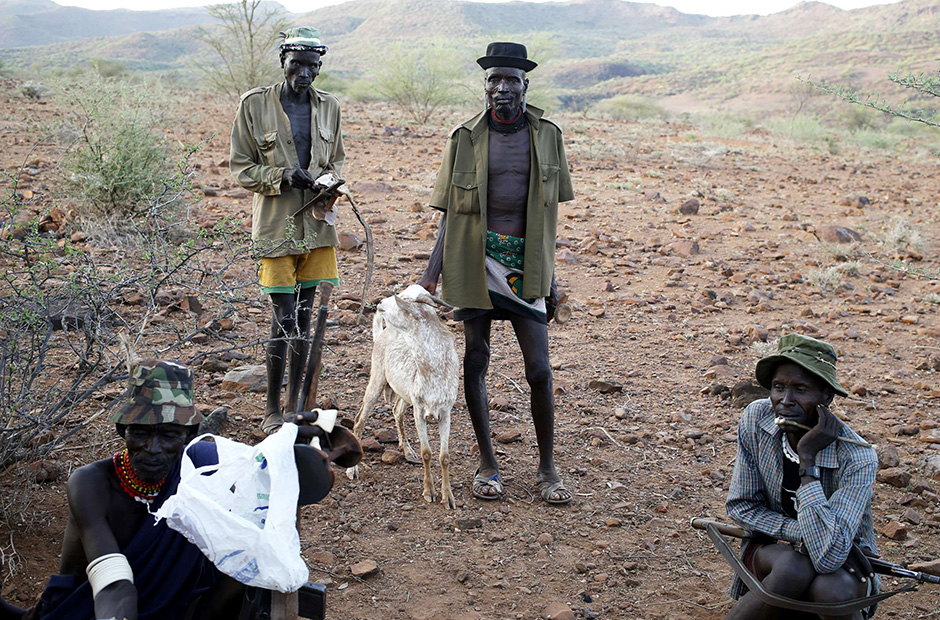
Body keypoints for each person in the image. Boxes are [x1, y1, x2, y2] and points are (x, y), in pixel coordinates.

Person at [0, 359, 353, 620]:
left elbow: (272, 490)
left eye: (168, 435)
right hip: (90, 609)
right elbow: (114, 584)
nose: (153, 449)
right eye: (141, 433)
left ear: (188, 435)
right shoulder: (92, 483)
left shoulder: (201, 472)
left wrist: (290, 449)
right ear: (122, 431)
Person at [418, 42, 574, 505]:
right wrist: (430, 275)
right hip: (474, 260)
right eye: (494, 80)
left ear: (526, 85)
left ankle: (547, 468)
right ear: (485, 86)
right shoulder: (464, 137)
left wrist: (551, 276)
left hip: (527, 264)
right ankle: (488, 464)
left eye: (511, 80)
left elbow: (550, 216)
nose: (502, 88)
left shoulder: (548, 135)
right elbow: (449, 212)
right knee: (476, 361)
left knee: (540, 369)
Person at [230, 26, 345, 434]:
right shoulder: (255, 105)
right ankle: (271, 409)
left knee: (305, 314)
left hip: (317, 227)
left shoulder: (329, 107)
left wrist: (329, 182)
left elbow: (337, 163)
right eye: (296, 64)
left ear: (319, 67)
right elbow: (242, 168)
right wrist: (282, 176)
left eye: (311, 66)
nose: (304, 73)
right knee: (283, 319)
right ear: (282, 62)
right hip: (276, 226)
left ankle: (297, 405)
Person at [725, 334, 880, 620]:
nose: (785, 401)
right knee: (793, 568)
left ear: (826, 397)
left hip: (847, 562)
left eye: (800, 389)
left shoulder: (857, 457)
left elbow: (830, 555)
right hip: (773, 550)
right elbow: (741, 506)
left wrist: (807, 460)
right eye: (778, 387)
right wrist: (799, 534)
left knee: (834, 592)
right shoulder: (756, 419)